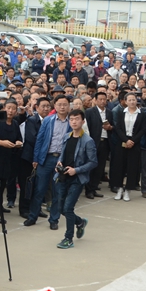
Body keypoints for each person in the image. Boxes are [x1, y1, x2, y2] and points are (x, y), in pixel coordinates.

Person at [52, 109, 96, 249]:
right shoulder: (67, 137)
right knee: (61, 209)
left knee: (68, 208)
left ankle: (68, 238)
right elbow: (63, 154)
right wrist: (59, 163)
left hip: (77, 179)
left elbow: (93, 162)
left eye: (77, 119)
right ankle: (80, 222)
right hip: (63, 177)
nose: (74, 122)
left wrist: (76, 170)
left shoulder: (88, 141)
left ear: (83, 121)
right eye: (71, 119)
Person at [27, 96, 70, 229]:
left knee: (58, 191)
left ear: (69, 106)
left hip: (61, 160)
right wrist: (36, 158)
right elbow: (39, 139)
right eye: (59, 104)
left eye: (65, 104)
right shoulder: (48, 120)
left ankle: (54, 220)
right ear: (55, 106)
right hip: (46, 158)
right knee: (40, 189)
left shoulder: (72, 122)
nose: (62, 107)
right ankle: (32, 216)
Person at [112, 92, 146, 201]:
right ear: (125, 102)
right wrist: (126, 140)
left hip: (135, 143)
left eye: (133, 100)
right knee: (119, 166)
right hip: (122, 141)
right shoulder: (121, 113)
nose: (132, 102)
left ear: (137, 101)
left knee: (132, 167)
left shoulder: (142, 114)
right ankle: (119, 189)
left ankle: (128, 190)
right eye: (129, 100)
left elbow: (142, 130)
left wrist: (132, 141)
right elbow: (118, 128)